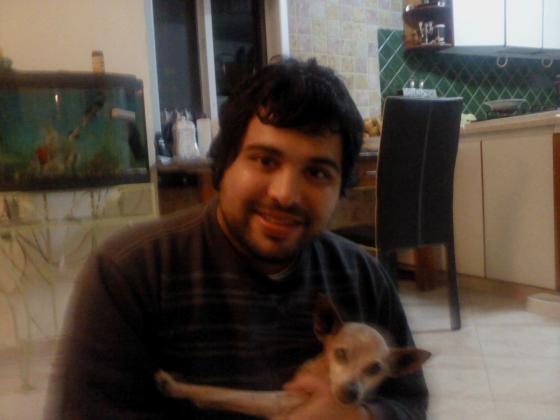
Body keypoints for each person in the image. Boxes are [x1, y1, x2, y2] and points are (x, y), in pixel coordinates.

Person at [45, 57, 428, 419]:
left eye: (317, 173)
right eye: (265, 160)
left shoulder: (361, 277)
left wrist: (362, 415)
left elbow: (409, 401)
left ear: (340, 188)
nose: (285, 194)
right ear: (225, 162)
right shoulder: (130, 274)